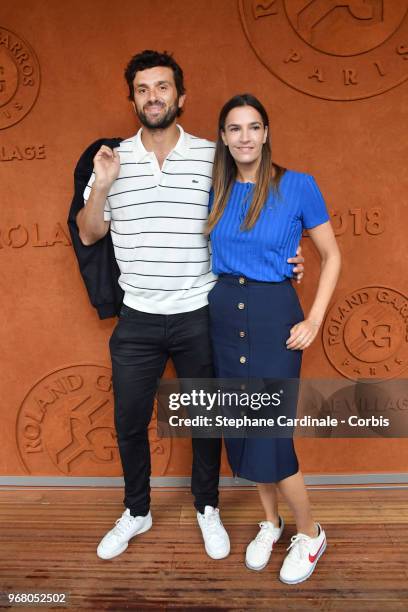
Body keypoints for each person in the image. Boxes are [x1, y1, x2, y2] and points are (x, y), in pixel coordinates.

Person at [76, 50, 306, 561]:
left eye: (162, 87)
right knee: (129, 420)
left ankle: (208, 507)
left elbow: (254, 213)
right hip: (137, 315)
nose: (153, 96)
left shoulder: (212, 157)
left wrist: (289, 257)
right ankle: (138, 510)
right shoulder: (113, 158)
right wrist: (103, 188)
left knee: (207, 418)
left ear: (181, 97)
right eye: (142, 89)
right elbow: (89, 233)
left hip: (202, 312)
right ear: (132, 98)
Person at [206, 94, 341, 584]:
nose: (245, 136)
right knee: (241, 427)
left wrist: (315, 319)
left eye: (254, 127)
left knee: (269, 430)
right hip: (222, 314)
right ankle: (271, 521)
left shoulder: (298, 185)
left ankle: (311, 530)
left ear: (266, 133)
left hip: (273, 314)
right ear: (223, 137)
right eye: (235, 128)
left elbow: (331, 256)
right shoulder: (215, 190)